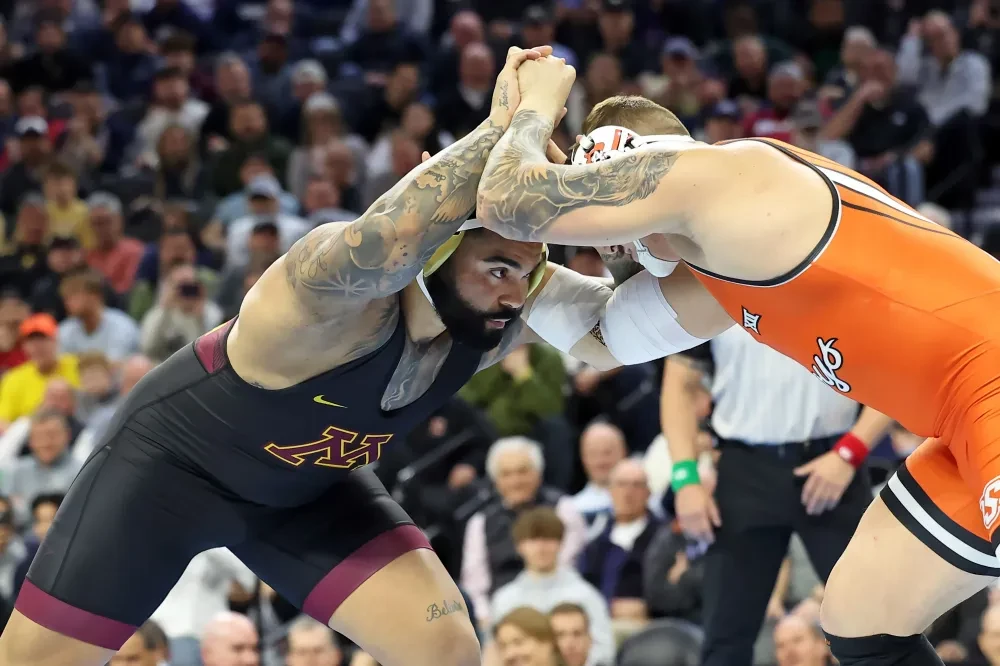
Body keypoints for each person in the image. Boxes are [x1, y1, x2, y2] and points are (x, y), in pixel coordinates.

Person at [0, 47, 625, 666]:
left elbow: (632, 329)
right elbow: (392, 235)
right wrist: (510, 126)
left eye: (531, 245)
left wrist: (668, 223)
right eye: (501, 231)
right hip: (167, 476)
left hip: (307, 495)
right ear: (452, 217)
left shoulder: (503, 297)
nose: (513, 285)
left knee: (443, 646)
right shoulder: (324, 286)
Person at [476, 54, 1000, 666]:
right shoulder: (718, 268)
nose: (621, 254)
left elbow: (509, 201)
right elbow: (601, 335)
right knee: (862, 621)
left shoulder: (727, 179)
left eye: (619, 234)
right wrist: (500, 274)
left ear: (629, 166)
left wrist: (528, 108)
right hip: (961, 423)